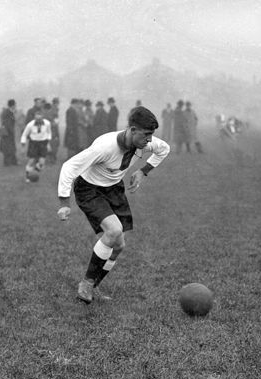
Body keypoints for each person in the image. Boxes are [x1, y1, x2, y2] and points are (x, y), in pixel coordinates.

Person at [57, 106, 170, 304]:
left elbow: (164, 149)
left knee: (119, 245)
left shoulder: (144, 143)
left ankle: (94, 286)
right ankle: (86, 283)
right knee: (113, 231)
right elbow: (69, 167)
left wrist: (143, 171)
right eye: (146, 134)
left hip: (113, 189)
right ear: (132, 130)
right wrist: (64, 203)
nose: (150, 140)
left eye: (152, 135)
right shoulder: (104, 147)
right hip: (89, 189)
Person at [20, 109, 52, 182]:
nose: (38, 121)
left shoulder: (47, 123)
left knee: (41, 163)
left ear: (42, 118)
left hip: (43, 143)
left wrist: (48, 144)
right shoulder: (30, 125)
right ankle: (28, 176)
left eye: (40, 119)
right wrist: (23, 147)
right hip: (33, 143)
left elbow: (49, 133)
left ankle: (34, 174)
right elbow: (24, 135)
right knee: (31, 160)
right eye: (37, 119)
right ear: (34, 118)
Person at [0, 99, 18, 166]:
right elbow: (8, 123)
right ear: (12, 105)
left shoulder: (7, 112)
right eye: (15, 105)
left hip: (6, 132)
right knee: (8, 148)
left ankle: (11, 161)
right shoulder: (8, 112)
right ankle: (9, 162)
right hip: (7, 133)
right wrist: (12, 131)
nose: (15, 106)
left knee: (8, 147)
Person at [44, 98, 60, 164]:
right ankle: (51, 160)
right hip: (52, 132)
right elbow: (53, 123)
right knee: (52, 146)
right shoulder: (51, 112)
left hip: (51, 131)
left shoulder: (48, 113)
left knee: (51, 146)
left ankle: (50, 160)